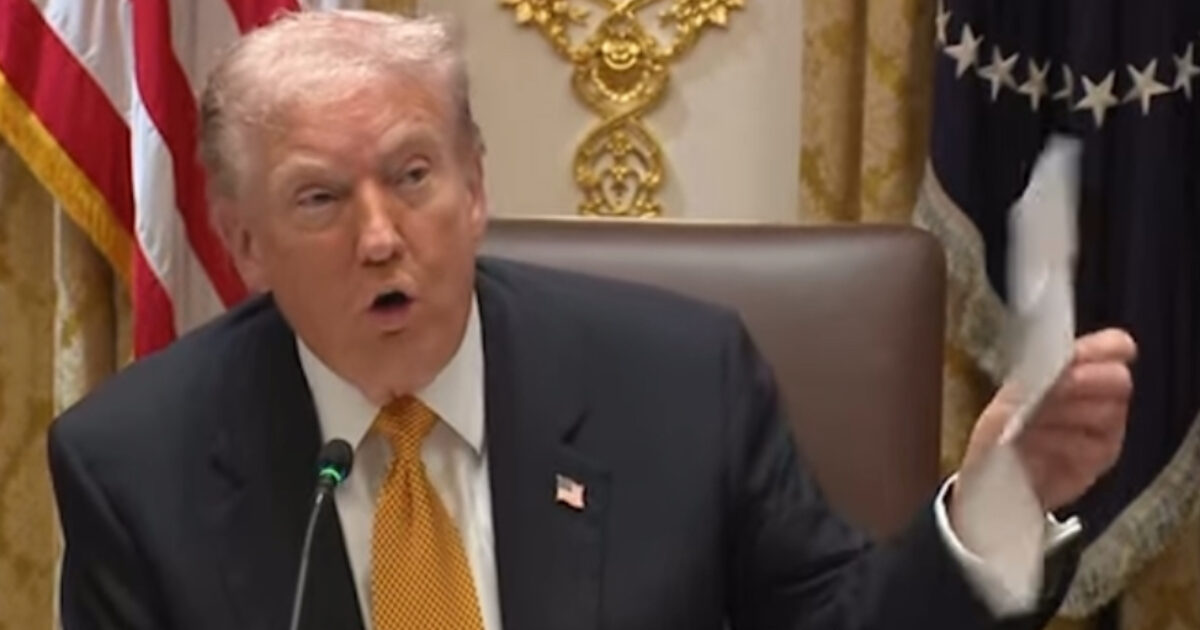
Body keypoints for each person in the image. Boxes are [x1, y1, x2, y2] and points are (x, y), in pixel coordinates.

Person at [48, 10, 1137, 630]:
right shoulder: (137, 466)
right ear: (242, 243)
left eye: (414, 175)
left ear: (476, 187)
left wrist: (996, 505)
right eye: (320, 200)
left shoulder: (677, 383)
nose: (380, 237)